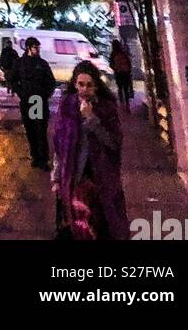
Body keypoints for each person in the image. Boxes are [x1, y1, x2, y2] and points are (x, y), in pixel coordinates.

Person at [50, 61, 130, 240]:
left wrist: (92, 119)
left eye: (89, 85)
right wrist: (55, 178)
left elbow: (113, 143)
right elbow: (59, 147)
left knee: (102, 226)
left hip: (100, 179)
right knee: (78, 226)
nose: (84, 89)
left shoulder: (106, 108)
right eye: (80, 84)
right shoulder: (67, 107)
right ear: (74, 84)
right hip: (73, 177)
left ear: (96, 86)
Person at [14, 37, 56, 170]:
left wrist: (45, 94)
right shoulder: (20, 63)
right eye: (35, 47)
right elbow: (13, 79)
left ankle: (42, 158)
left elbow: (51, 81)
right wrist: (22, 93)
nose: (37, 50)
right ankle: (36, 157)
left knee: (40, 130)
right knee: (31, 130)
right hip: (28, 101)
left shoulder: (42, 64)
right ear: (28, 48)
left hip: (38, 100)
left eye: (38, 47)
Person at [110, 39, 133, 109]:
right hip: (125, 73)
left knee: (120, 88)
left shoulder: (113, 54)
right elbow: (129, 62)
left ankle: (122, 103)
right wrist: (128, 70)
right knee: (126, 89)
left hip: (118, 73)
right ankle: (127, 104)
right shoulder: (123, 52)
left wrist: (115, 68)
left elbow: (111, 64)